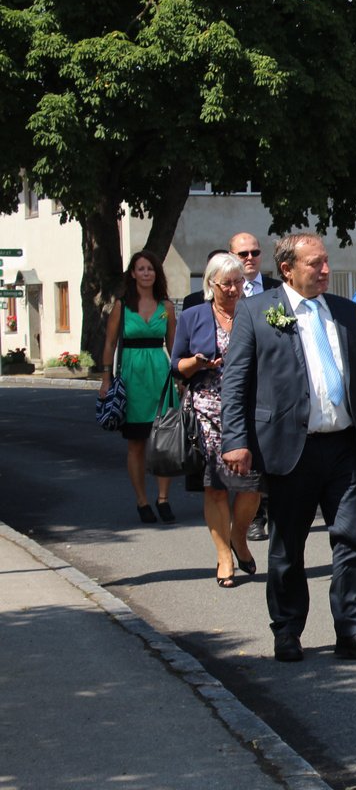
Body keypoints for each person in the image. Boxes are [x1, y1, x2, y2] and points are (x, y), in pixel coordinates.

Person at [221, 233, 356, 663]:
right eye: (315, 264)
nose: (325, 270)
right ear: (287, 269)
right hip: (289, 448)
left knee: (353, 540)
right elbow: (236, 383)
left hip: (345, 447)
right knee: (287, 546)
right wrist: (235, 441)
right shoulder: (257, 312)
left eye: (325, 261)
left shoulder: (345, 312)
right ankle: (287, 629)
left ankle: (353, 630)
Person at [171, 253, 263, 588]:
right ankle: (225, 556)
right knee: (215, 487)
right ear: (212, 284)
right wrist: (196, 363)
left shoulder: (253, 313)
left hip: (248, 408)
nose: (234, 289)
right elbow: (176, 365)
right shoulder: (193, 315)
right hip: (207, 410)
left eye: (239, 282)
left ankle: (239, 536)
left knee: (253, 485)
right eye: (227, 284)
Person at [98, 250, 177, 524]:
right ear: (132, 273)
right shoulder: (122, 306)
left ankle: (163, 498)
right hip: (132, 377)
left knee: (164, 442)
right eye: (141, 269)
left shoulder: (166, 307)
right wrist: (106, 379)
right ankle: (142, 500)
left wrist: (180, 378)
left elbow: (174, 345)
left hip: (160, 375)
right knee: (136, 444)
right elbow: (109, 344)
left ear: (156, 273)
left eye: (150, 269)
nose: (146, 273)